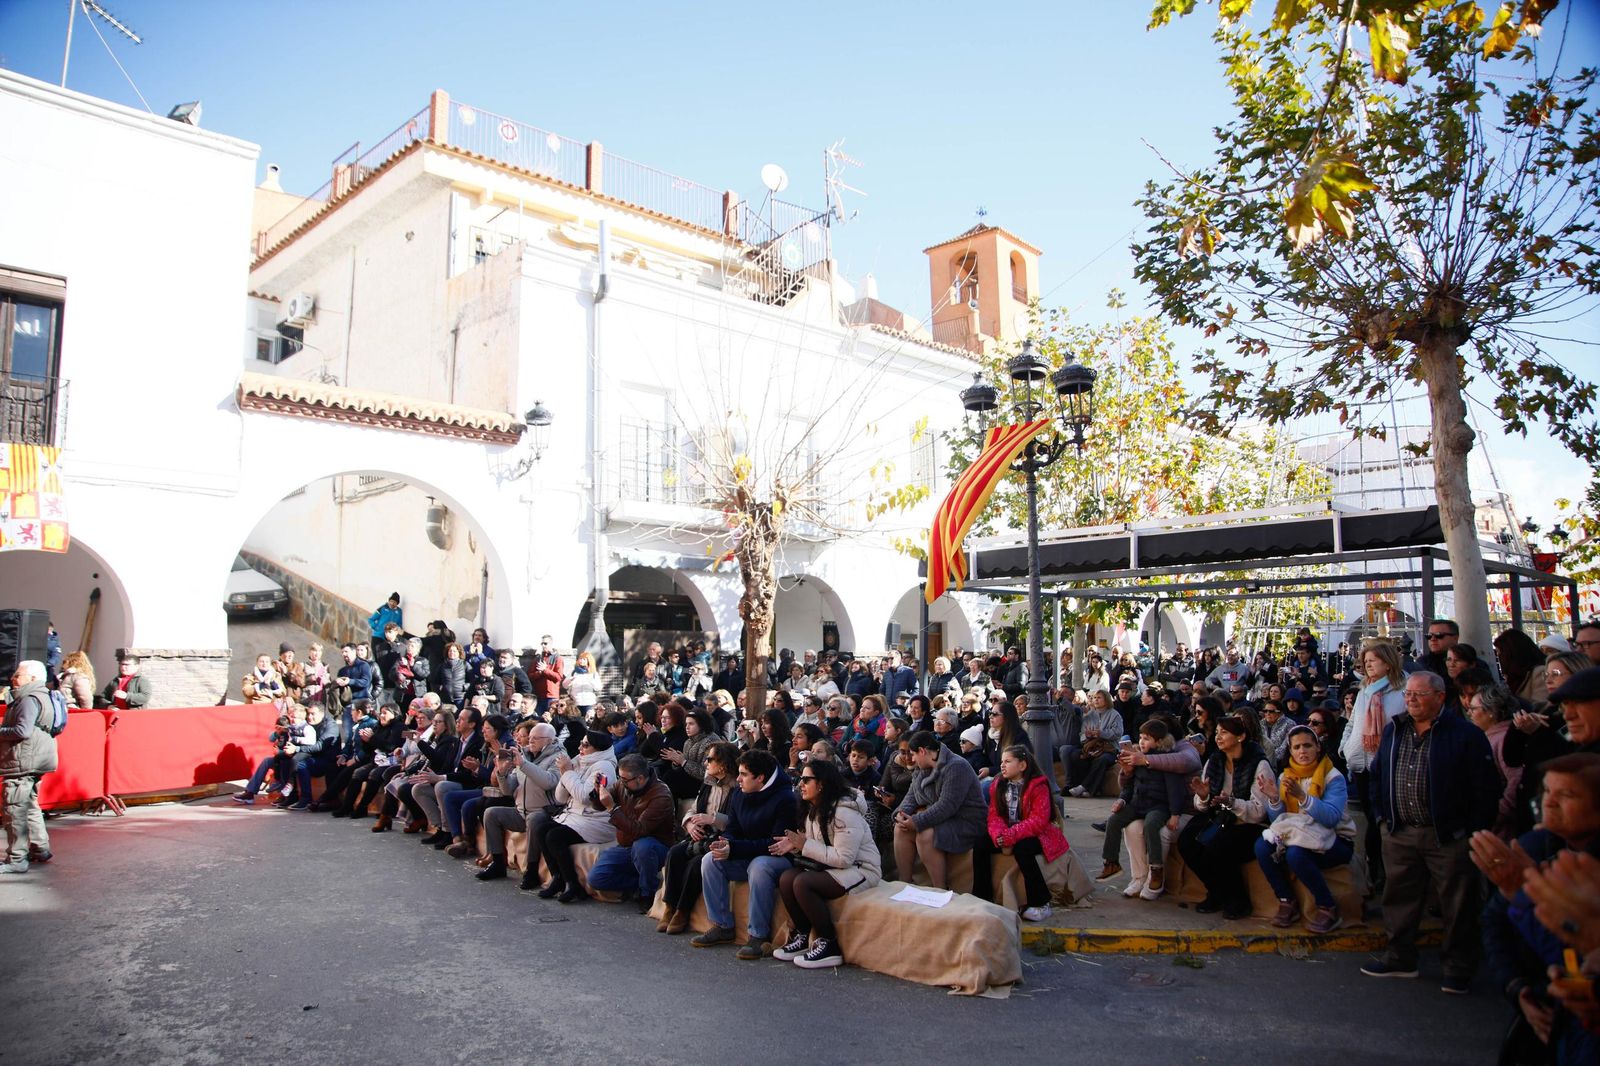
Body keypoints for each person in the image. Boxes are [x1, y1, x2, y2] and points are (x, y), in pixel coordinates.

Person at [1361, 670, 1499, 992]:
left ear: (1439, 697)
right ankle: (1400, 958)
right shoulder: (1394, 729)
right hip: (1399, 832)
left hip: (1448, 836)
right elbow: (1378, 775)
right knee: (1398, 898)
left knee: (1458, 903)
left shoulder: (1464, 734)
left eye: (1418, 695)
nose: (1410, 700)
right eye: (1408, 694)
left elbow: (1485, 787)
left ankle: (1458, 968)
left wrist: (1472, 830)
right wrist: (1382, 817)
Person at [1475, 753, 1600, 1065]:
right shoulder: (1534, 845)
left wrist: (1524, 895)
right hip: (1544, 1014)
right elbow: (1494, 921)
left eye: (1567, 794)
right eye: (1547, 791)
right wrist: (1517, 988)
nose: (1550, 803)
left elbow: (1575, 949)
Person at [770, 757, 883, 969]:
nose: (800, 784)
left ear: (821, 784)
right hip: (833, 867)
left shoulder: (844, 811)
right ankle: (803, 935)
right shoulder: (814, 807)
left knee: (802, 882)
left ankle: (829, 944)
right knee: (787, 878)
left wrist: (804, 845)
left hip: (861, 869)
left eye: (806, 780)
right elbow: (817, 845)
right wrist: (795, 845)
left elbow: (844, 858)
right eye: (800, 779)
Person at [692, 749, 798, 960]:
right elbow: (733, 828)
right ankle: (722, 925)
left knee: (759, 867)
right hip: (746, 852)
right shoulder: (740, 793)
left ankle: (759, 936)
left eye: (743, 774)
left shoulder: (786, 799)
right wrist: (726, 843)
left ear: (760, 778)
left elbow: (776, 843)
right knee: (710, 860)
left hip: (778, 859)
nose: (738, 779)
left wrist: (736, 848)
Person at [1254, 725, 1357, 933]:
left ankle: (1327, 907)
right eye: (1297, 747)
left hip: (1335, 841)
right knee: (1261, 847)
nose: (1303, 751)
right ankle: (1286, 901)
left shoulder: (1332, 777)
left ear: (1318, 748)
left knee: (1296, 854)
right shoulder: (1286, 777)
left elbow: (1330, 818)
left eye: (1308, 746)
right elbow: (1280, 820)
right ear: (1290, 750)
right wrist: (1274, 798)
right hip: (1298, 835)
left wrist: (1303, 797)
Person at [1177, 714, 1277, 920]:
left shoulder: (1258, 765)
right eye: (1217, 733)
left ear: (1240, 737)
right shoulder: (1215, 761)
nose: (1218, 737)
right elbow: (1202, 805)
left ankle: (1237, 900)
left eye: (1224, 733)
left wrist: (1231, 803)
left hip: (1248, 822)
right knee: (1187, 841)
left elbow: (1259, 812)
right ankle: (1216, 891)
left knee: (1219, 847)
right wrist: (1203, 796)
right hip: (1220, 816)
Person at [972, 744, 1070, 921]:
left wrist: (1011, 835)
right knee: (980, 843)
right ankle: (982, 895)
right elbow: (994, 814)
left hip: (1038, 834)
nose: (1002, 765)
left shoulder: (1038, 785)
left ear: (1022, 765)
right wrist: (999, 834)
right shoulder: (998, 783)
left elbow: (1038, 821)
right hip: (1008, 831)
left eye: (1008, 761)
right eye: (1002, 761)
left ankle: (1041, 902)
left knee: (1023, 848)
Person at [1341, 641, 1408, 893]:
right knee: (1371, 817)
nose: (1367, 665)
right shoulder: (1364, 690)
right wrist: (1346, 747)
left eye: (1373, 660)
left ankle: (1389, 873)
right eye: (1365, 661)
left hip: (1389, 763)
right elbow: (1353, 722)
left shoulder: (1403, 691)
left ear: (1388, 663)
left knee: (1384, 818)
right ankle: (1374, 870)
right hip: (1361, 763)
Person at [1097, 720, 1188, 898]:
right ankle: (1111, 862)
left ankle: (1156, 870)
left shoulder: (1166, 760)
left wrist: (1175, 814)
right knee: (1114, 820)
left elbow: (1175, 790)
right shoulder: (1137, 758)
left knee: (1152, 824)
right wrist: (1122, 800)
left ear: (1159, 741)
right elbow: (1129, 787)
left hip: (1158, 805)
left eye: (1147, 738)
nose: (1142, 742)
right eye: (1141, 738)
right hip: (1138, 803)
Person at [657, 741, 739, 933]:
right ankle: (670, 907)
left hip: (721, 839)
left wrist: (712, 819)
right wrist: (690, 824)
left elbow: (737, 821)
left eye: (710, 759)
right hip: (701, 836)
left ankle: (683, 911)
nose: (705, 763)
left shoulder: (737, 788)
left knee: (696, 864)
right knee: (675, 854)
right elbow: (694, 810)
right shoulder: (708, 783)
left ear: (724, 764)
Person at [893, 730, 987, 890]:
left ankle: (939, 888)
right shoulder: (922, 768)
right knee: (900, 829)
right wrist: (900, 815)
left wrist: (916, 821)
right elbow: (911, 796)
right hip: (942, 819)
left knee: (925, 834)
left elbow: (947, 805)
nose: (912, 759)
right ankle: (905, 883)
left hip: (966, 821)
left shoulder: (957, 766)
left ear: (922, 751)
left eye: (913, 754)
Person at [534, 729, 619, 903]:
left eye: (586, 745)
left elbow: (584, 797)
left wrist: (567, 772)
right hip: (576, 817)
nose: (580, 747)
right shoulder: (581, 761)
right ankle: (557, 877)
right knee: (541, 829)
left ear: (598, 748)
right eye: (581, 743)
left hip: (596, 821)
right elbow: (560, 798)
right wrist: (567, 773)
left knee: (555, 836)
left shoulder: (604, 766)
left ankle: (573, 884)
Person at [585, 753, 675, 911]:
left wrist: (612, 808)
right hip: (626, 846)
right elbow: (599, 805)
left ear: (640, 778)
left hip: (655, 847)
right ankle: (640, 884)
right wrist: (597, 791)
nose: (621, 782)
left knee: (643, 846)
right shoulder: (623, 784)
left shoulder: (661, 795)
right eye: (620, 778)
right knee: (596, 878)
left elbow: (639, 830)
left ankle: (647, 893)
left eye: (625, 779)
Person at [0, 661, 58, 874]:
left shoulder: (28, 699)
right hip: (36, 758)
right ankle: (40, 848)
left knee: (15, 808)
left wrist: (1, 730)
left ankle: (17, 859)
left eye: (18, 675)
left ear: (32, 678)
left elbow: (22, 731)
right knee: (29, 805)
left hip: (24, 759)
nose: (13, 678)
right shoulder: (44, 695)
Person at [1466, 684, 1524, 840]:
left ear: (1491, 712)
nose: (1469, 713)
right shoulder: (1486, 737)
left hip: (1503, 831)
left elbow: (1516, 780)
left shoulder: (1505, 738)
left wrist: (1498, 813)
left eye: (1473, 709)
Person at [1064, 690, 1124, 798]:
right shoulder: (1089, 715)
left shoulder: (1115, 715)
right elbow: (1081, 734)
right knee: (1075, 755)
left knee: (1102, 759)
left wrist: (1102, 733)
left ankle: (1085, 787)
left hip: (1109, 748)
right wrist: (1087, 735)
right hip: (1092, 747)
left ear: (1106, 699)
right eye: (1094, 698)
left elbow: (1118, 733)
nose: (1096, 700)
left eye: (1099, 697)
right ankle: (1083, 786)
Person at [1494, 628, 1550, 709]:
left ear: (1511, 653)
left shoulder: (1539, 672)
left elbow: (1541, 706)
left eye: (1500, 653)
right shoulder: (1513, 675)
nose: (1499, 657)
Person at [368, 592, 402, 656]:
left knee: (384, 657)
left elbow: (399, 624)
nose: (392, 603)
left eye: (394, 602)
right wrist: (376, 627)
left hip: (389, 638)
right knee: (376, 655)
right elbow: (371, 619)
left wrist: (397, 634)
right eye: (391, 601)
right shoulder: (382, 608)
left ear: (397, 603)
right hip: (378, 636)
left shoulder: (399, 612)